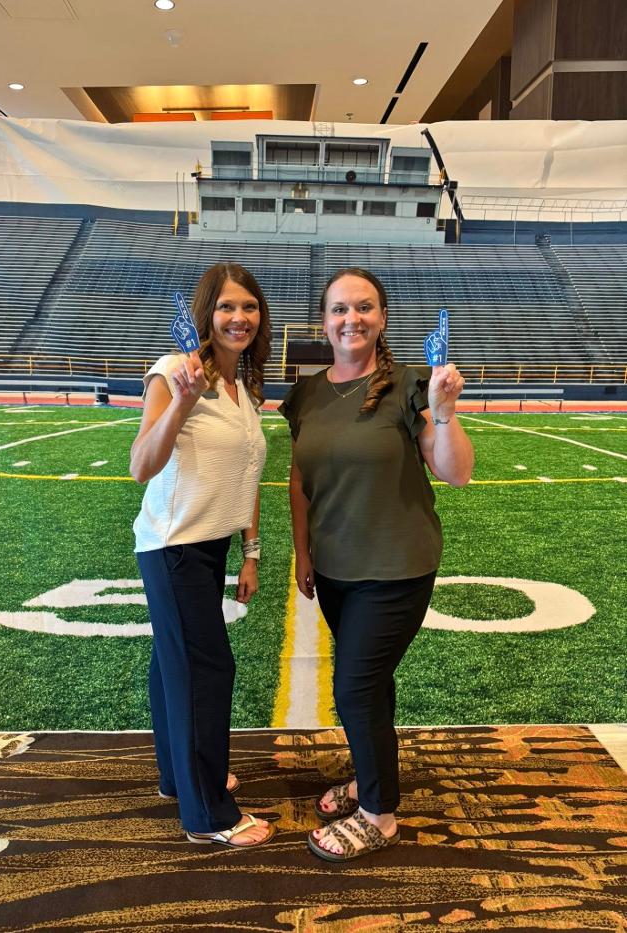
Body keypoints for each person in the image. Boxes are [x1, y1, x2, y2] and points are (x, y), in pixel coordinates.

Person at [279, 267, 474, 862]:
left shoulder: (412, 383)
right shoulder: (307, 393)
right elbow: (300, 480)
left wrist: (444, 412)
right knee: (372, 685)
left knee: (355, 688)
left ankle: (378, 815)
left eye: (364, 307)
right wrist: (303, 551)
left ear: (382, 318)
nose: (351, 319)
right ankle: (371, 777)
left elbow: (455, 472)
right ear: (323, 322)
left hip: (396, 566)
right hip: (335, 568)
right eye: (339, 309)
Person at [130, 262, 275, 848]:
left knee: (173, 665)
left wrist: (251, 552)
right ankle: (208, 813)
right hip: (175, 545)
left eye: (249, 306)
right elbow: (141, 465)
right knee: (206, 670)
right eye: (226, 306)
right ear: (205, 314)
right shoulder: (173, 371)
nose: (239, 317)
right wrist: (183, 403)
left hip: (210, 545)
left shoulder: (245, 391)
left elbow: (248, 477)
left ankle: (179, 778)